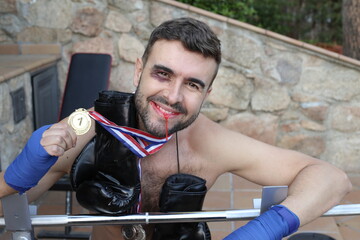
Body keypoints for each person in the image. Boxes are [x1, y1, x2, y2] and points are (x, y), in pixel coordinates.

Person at [0, 17, 352, 240]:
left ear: (207, 94)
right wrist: (23, 169)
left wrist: (268, 227)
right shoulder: (90, 126)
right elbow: (9, 206)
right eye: (162, 74)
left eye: (193, 84)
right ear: (139, 72)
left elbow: (332, 178)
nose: (172, 96)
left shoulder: (211, 143)